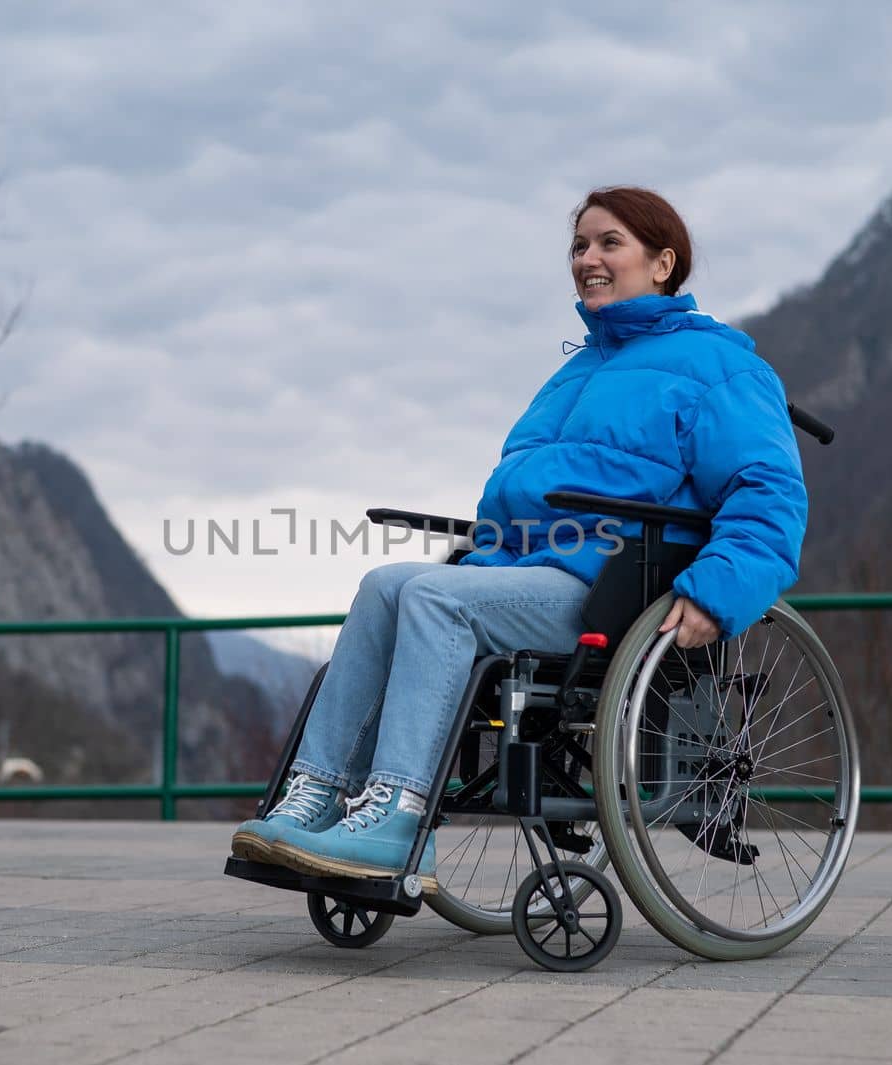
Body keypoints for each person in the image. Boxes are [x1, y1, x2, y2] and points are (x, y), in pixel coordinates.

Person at [230, 186, 807, 891]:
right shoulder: (576, 372)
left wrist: (717, 591)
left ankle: (399, 819)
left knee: (440, 599)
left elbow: (769, 493)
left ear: (663, 262)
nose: (587, 258)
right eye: (579, 245)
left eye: (608, 243)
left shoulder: (721, 366)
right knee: (386, 584)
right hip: (529, 570)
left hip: (609, 592)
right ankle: (314, 797)